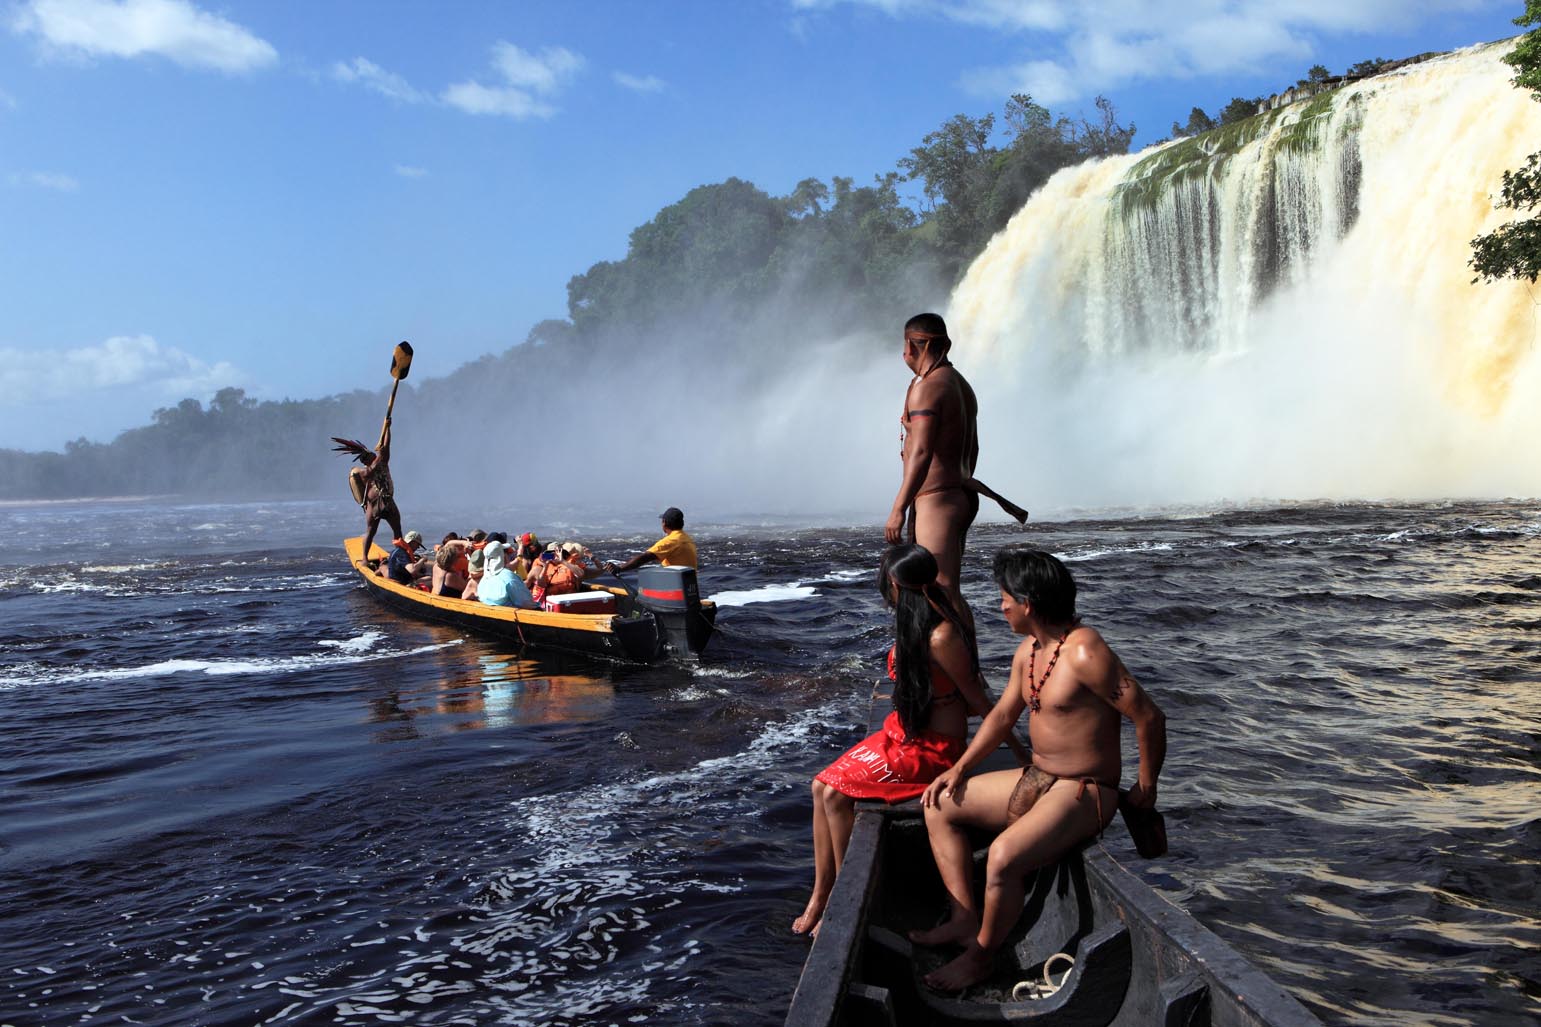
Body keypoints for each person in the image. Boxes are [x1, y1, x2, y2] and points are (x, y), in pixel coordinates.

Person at [911, 545, 1166, 991]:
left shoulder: (1085, 652)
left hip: (1084, 790)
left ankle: (981, 958)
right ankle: (963, 920)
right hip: (1038, 778)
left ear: (1028, 603)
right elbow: (1003, 716)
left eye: (1005, 596)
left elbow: (1148, 716)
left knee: (1002, 858)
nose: (1001, 605)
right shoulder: (1028, 651)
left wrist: (1146, 789)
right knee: (939, 804)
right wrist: (961, 769)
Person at [793, 543, 993, 938]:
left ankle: (846, 898)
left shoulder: (942, 635)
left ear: (897, 586)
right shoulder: (916, 622)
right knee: (820, 786)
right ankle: (821, 892)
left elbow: (978, 700)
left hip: (934, 748)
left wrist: (997, 753)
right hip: (903, 734)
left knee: (835, 795)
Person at [885, 314, 1026, 618]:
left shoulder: (929, 387)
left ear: (911, 345)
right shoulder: (960, 383)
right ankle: (951, 661)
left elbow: (921, 451)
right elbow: (973, 447)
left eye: (904, 346)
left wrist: (899, 508)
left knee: (940, 587)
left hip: (938, 499)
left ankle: (962, 664)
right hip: (956, 493)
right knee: (942, 587)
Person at [333, 420, 403, 565]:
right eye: (369, 455)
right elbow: (383, 451)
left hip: (388, 502)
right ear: (366, 460)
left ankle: (400, 556)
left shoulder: (382, 462)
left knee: (397, 530)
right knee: (371, 531)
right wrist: (382, 447)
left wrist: (388, 428)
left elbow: (386, 446)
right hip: (375, 505)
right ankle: (365, 558)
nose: (372, 455)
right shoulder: (367, 472)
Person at [607, 507, 698, 573]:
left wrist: (619, 568)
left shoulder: (671, 540)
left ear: (664, 523)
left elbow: (645, 557)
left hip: (675, 590)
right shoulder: (686, 538)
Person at [476, 541, 537, 608]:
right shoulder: (508, 577)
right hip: (508, 615)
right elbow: (526, 602)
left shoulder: (484, 578)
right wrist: (537, 606)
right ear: (501, 556)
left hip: (489, 613)